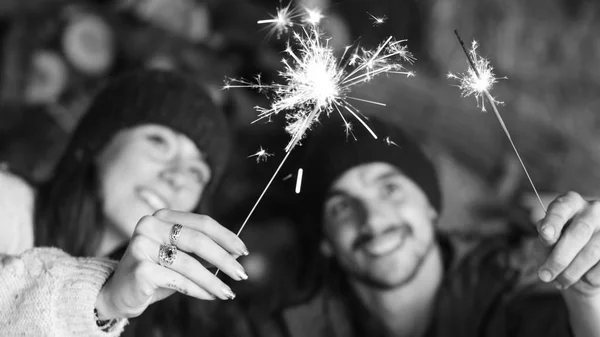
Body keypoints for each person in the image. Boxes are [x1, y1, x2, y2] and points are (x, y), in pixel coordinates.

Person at [258, 115, 600, 337]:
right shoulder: (289, 328)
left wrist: (588, 296)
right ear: (325, 242)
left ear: (430, 207)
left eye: (390, 188)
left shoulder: (510, 280)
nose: (374, 220)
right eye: (342, 206)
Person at [0, 69, 249, 336]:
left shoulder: (152, 313)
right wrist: (102, 302)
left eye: (196, 172)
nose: (177, 177)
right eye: (159, 142)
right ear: (99, 142)